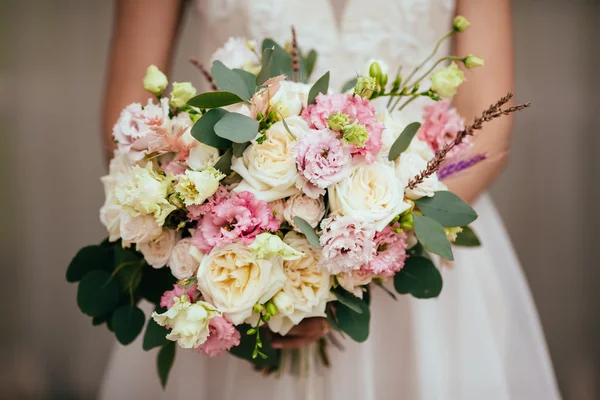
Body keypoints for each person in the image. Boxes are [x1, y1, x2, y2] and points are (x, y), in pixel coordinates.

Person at [100, 0, 561, 398]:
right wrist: (264, 275)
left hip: (420, 243)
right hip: (232, 268)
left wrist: (350, 262)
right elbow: (127, 122)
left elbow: (487, 131)